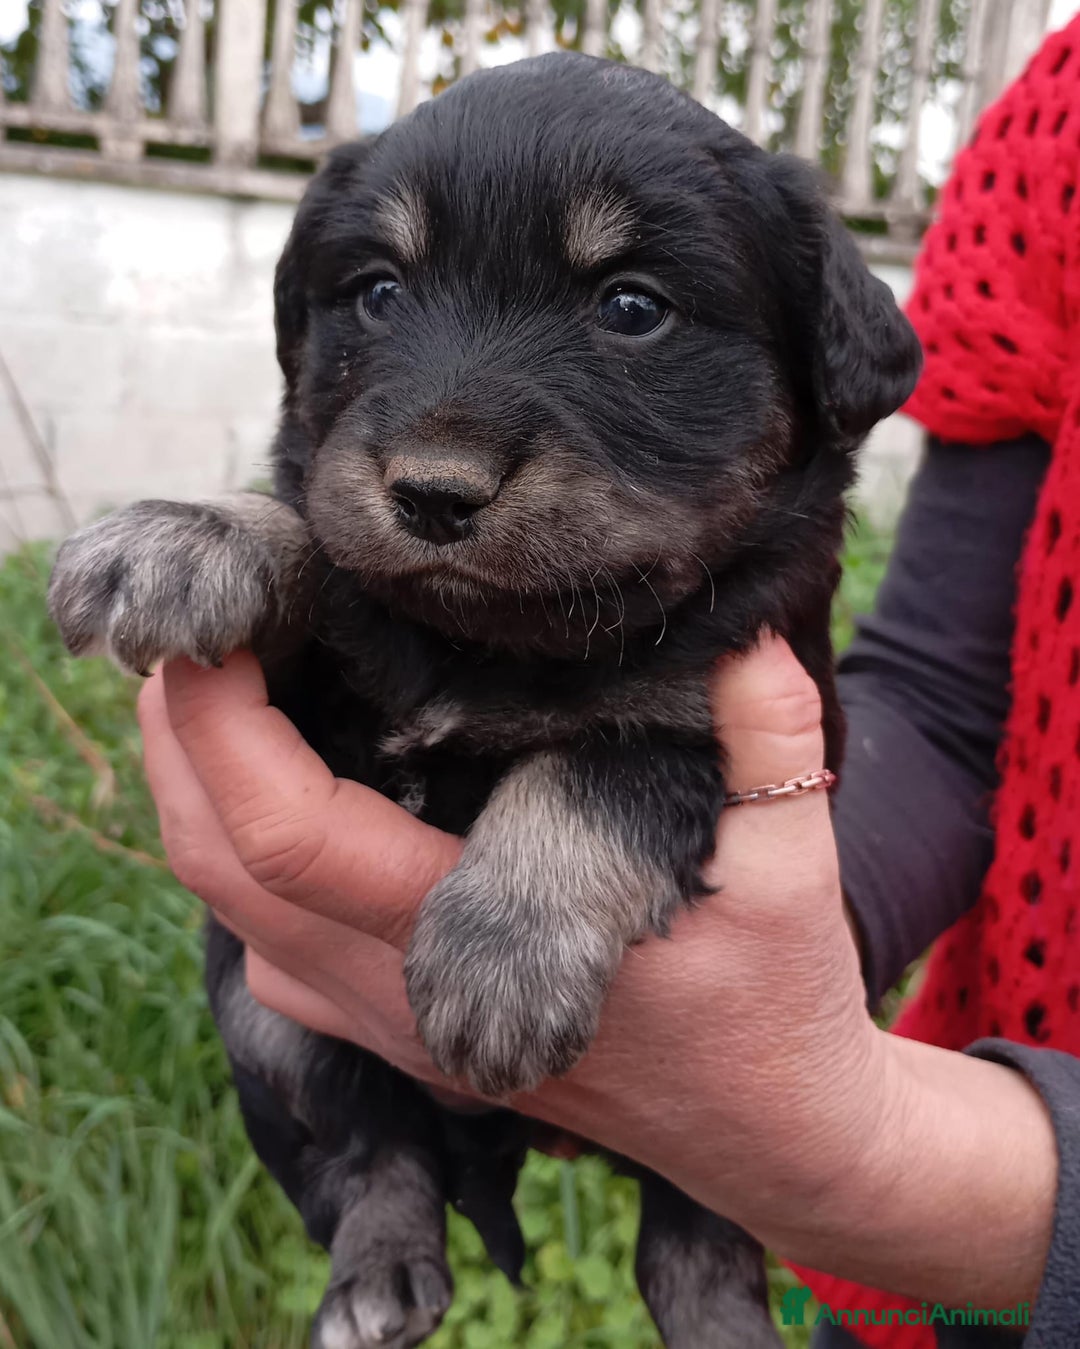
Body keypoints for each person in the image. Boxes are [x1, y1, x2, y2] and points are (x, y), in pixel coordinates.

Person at [136, 15, 1080, 1347]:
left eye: (632, 310)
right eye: (383, 295)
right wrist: (255, 550)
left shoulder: (713, 601)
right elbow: (944, 700)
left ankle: (704, 1276)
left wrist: (825, 1125)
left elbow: (687, 752)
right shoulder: (1054, 142)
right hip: (431, 1056)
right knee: (255, 990)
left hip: (953, 1186)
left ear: (814, 382)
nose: (439, 457)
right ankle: (376, 1197)